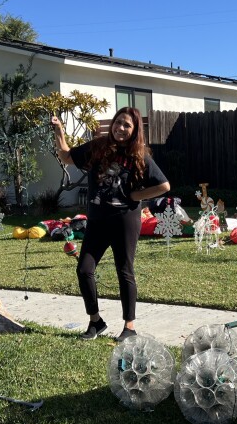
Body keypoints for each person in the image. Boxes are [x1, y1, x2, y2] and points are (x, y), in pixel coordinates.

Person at [51, 107, 170, 342]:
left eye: (127, 125)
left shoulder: (139, 156)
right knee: (84, 269)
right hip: (97, 220)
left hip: (124, 221)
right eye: (118, 123)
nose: (121, 128)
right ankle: (96, 321)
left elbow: (164, 186)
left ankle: (129, 327)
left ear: (135, 130)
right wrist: (59, 131)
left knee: (124, 271)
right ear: (112, 124)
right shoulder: (98, 147)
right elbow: (66, 156)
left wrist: (136, 196)